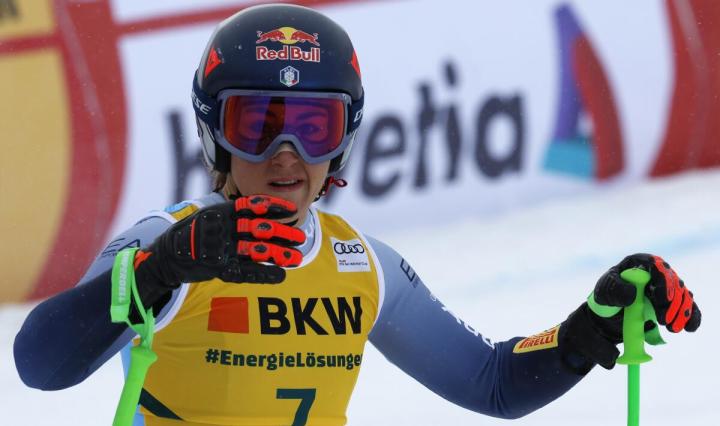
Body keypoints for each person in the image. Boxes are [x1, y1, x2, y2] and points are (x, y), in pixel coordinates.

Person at [14, 4, 701, 426]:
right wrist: (161, 270)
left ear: (344, 140)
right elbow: (40, 364)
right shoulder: (170, 241)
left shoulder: (363, 265)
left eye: (314, 127)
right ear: (214, 134)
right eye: (258, 126)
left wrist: (590, 325)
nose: (286, 156)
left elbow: (493, 383)